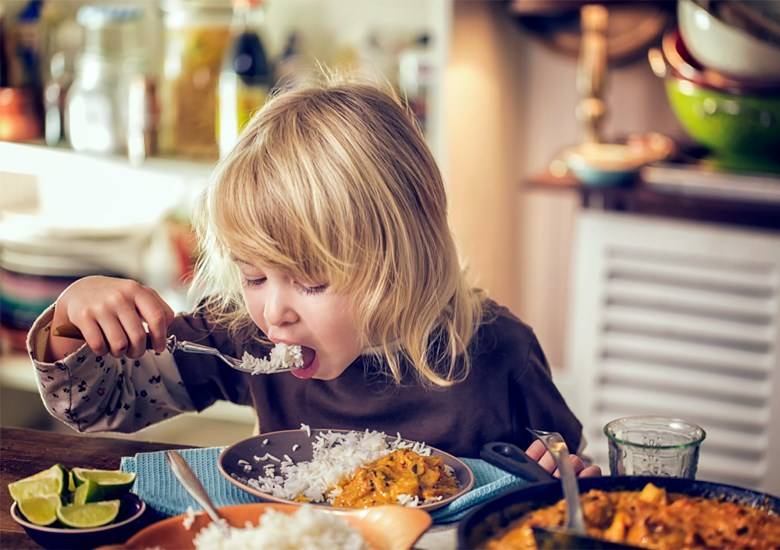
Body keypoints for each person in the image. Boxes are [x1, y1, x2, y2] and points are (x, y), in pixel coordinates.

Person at [28, 76, 600, 478]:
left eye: (312, 283)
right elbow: (102, 406)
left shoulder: (498, 352)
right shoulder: (245, 340)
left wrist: (559, 473)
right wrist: (74, 319)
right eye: (254, 278)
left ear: (400, 262)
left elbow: (566, 478)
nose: (275, 311)